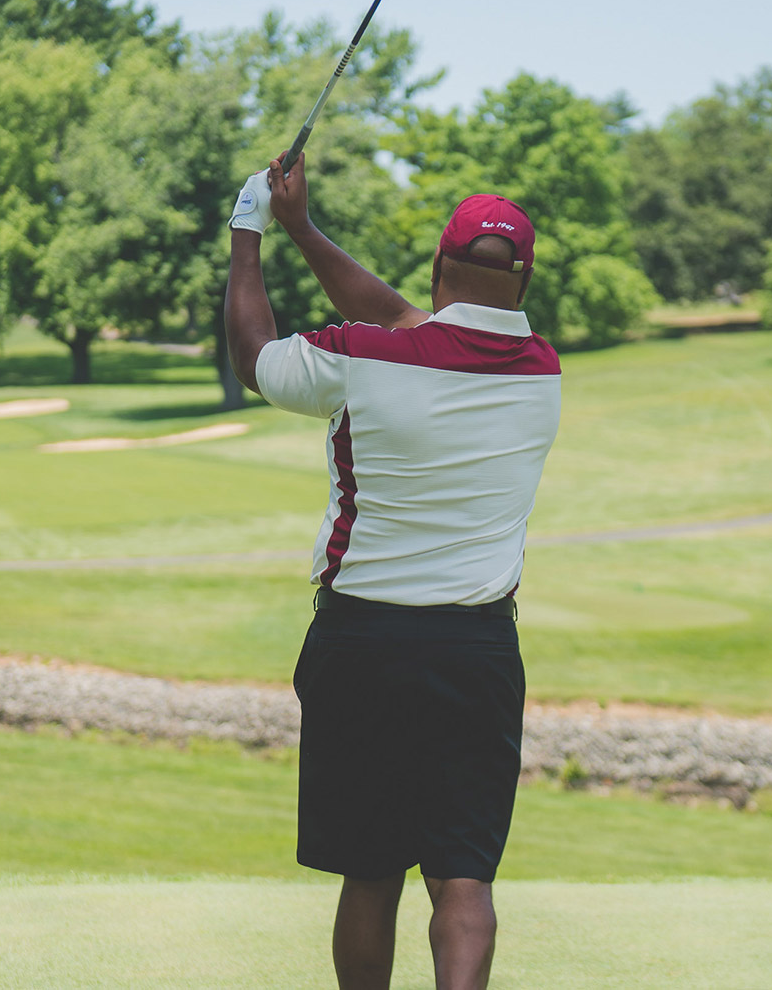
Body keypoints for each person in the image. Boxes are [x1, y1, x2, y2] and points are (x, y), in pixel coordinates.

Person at [223, 153, 561, 990]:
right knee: (463, 878)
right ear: (523, 281)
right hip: (477, 652)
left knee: (372, 872)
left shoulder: (363, 358)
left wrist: (250, 231)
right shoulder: (541, 373)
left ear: (440, 265)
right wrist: (304, 228)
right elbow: (417, 321)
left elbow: (257, 356)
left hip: (363, 642)